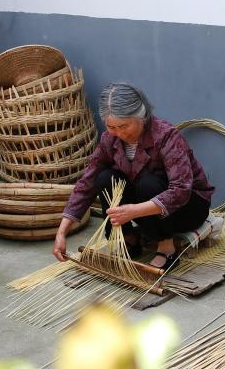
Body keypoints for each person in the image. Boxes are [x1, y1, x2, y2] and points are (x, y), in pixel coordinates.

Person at [54, 83, 214, 270]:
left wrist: (134, 211)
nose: (119, 133)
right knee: (105, 178)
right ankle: (129, 239)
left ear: (142, 116)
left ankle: (166, 247)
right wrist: (62, 231)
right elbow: (87, 182)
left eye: (124, 126)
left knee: (148, 183)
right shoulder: (109, 139)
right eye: (111, 126)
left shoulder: (165, 136)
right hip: (143, 208)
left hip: (187, 209)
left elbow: (181, 190)